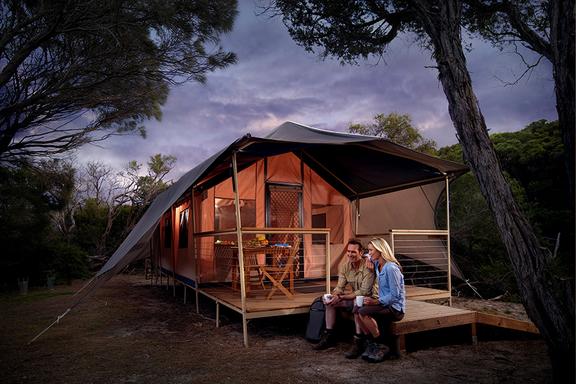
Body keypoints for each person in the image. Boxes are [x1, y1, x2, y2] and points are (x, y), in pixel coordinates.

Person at [313, 239, 375, 350]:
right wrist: (335, 295)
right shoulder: (345, 267)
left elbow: (364, 291)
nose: (350, 254)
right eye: (348, 251)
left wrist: (341, 296)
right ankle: (329, 336)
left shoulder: (368, 266)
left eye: (353, 252)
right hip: (353, 298)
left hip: (370, 300)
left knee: (358, 301)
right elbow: (339, 287)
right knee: (329, 301)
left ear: (361, 253)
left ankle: (358, 340)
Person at [353, 238, 405, 362]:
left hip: (394, 307)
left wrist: (375, 302)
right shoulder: (378, 264)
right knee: (356, 309)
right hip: (384, 303)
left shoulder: (391, 268)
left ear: (381, 250)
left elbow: (395, 296)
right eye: (368, 250)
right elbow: (366, 256)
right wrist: (367, 258)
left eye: (371, 250)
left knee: (363, 312)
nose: (369, 253)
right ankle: (371, 343)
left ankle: (380, 344)